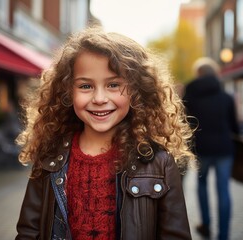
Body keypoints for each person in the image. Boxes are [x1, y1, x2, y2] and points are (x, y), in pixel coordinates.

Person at [15, 27, 196, 240]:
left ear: (136, 91)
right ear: (67, 92)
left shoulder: (159, 163)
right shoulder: (50, 158)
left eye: (113, 85)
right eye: (85, 86)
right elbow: (29, 232)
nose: (99, 98)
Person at [182, 57, 239, 240]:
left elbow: (184, 123)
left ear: (198, 74)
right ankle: (223, 235)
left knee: (202, 185)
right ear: (214, 73)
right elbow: (234, 127)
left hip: (201, 149)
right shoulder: (226, 97)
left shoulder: (189, 95)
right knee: (223, 190)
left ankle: (205, 225)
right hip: (224, 148)